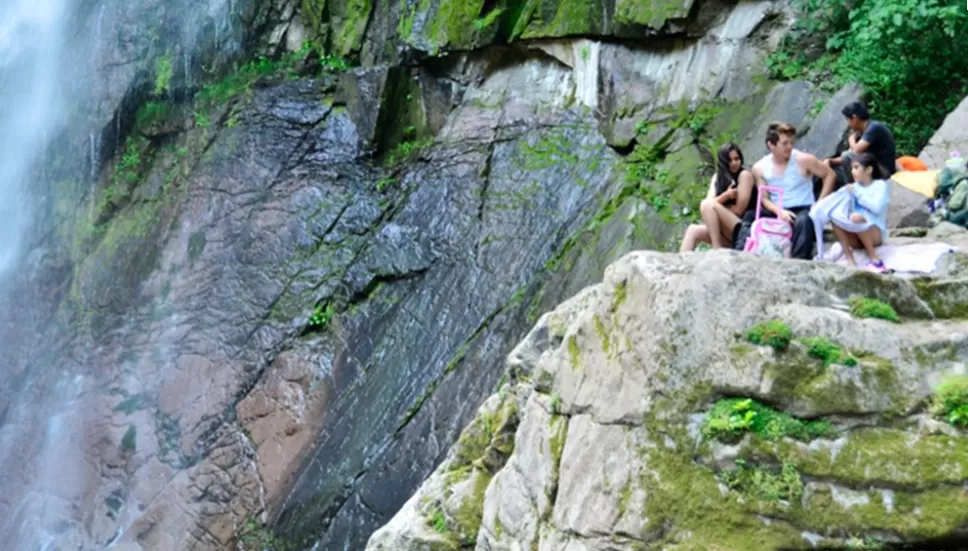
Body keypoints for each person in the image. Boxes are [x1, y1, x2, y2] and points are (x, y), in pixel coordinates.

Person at [750, 122, 836, 260]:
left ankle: (797, 262)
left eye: (791, 142)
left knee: (803, 221)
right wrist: (779, 211)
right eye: (784, 144)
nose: (789, 147)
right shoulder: (759, 167)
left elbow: (830, 175)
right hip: (778, 209)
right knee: (749, 217)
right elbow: (764, 198)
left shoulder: (803, 159)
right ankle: (744, 253)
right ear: (771, 145)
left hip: (803, 207)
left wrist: (819, 203)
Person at [680, 143, 756, 251]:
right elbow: (709, 203)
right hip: (724, 231)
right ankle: (681, 264)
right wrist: (726, 196)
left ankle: (717, 248)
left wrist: (717, 209)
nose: (734, 163)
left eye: (737, 158)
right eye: (729, 160)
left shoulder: (744, 176)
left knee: (707, 205)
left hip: (742, 229)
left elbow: (739, 210)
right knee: (693, 230)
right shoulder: (718, 177)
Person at [830, 152, 890, 272]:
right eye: (852, 168)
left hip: (874, 233)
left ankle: (873, 256)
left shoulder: (880, 185)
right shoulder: (853, 187)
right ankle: (849, 258)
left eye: (856, 168)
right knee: (835, 217)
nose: (852, 172)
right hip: (856, 234)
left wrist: (857, 193)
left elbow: (876, 208)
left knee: (856, 218)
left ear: (868, 170)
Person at [824, 102, 897, 188]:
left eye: (848, 120)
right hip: (869, 168)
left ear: (854, 118)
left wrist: (851, 139)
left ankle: (854, 189)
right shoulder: (861, 132)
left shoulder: (873, 128)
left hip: (883, 171)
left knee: (846, 156)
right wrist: (830, 161)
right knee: (832, 170)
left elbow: (854, 151)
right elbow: (851, 153)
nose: (848, 124)